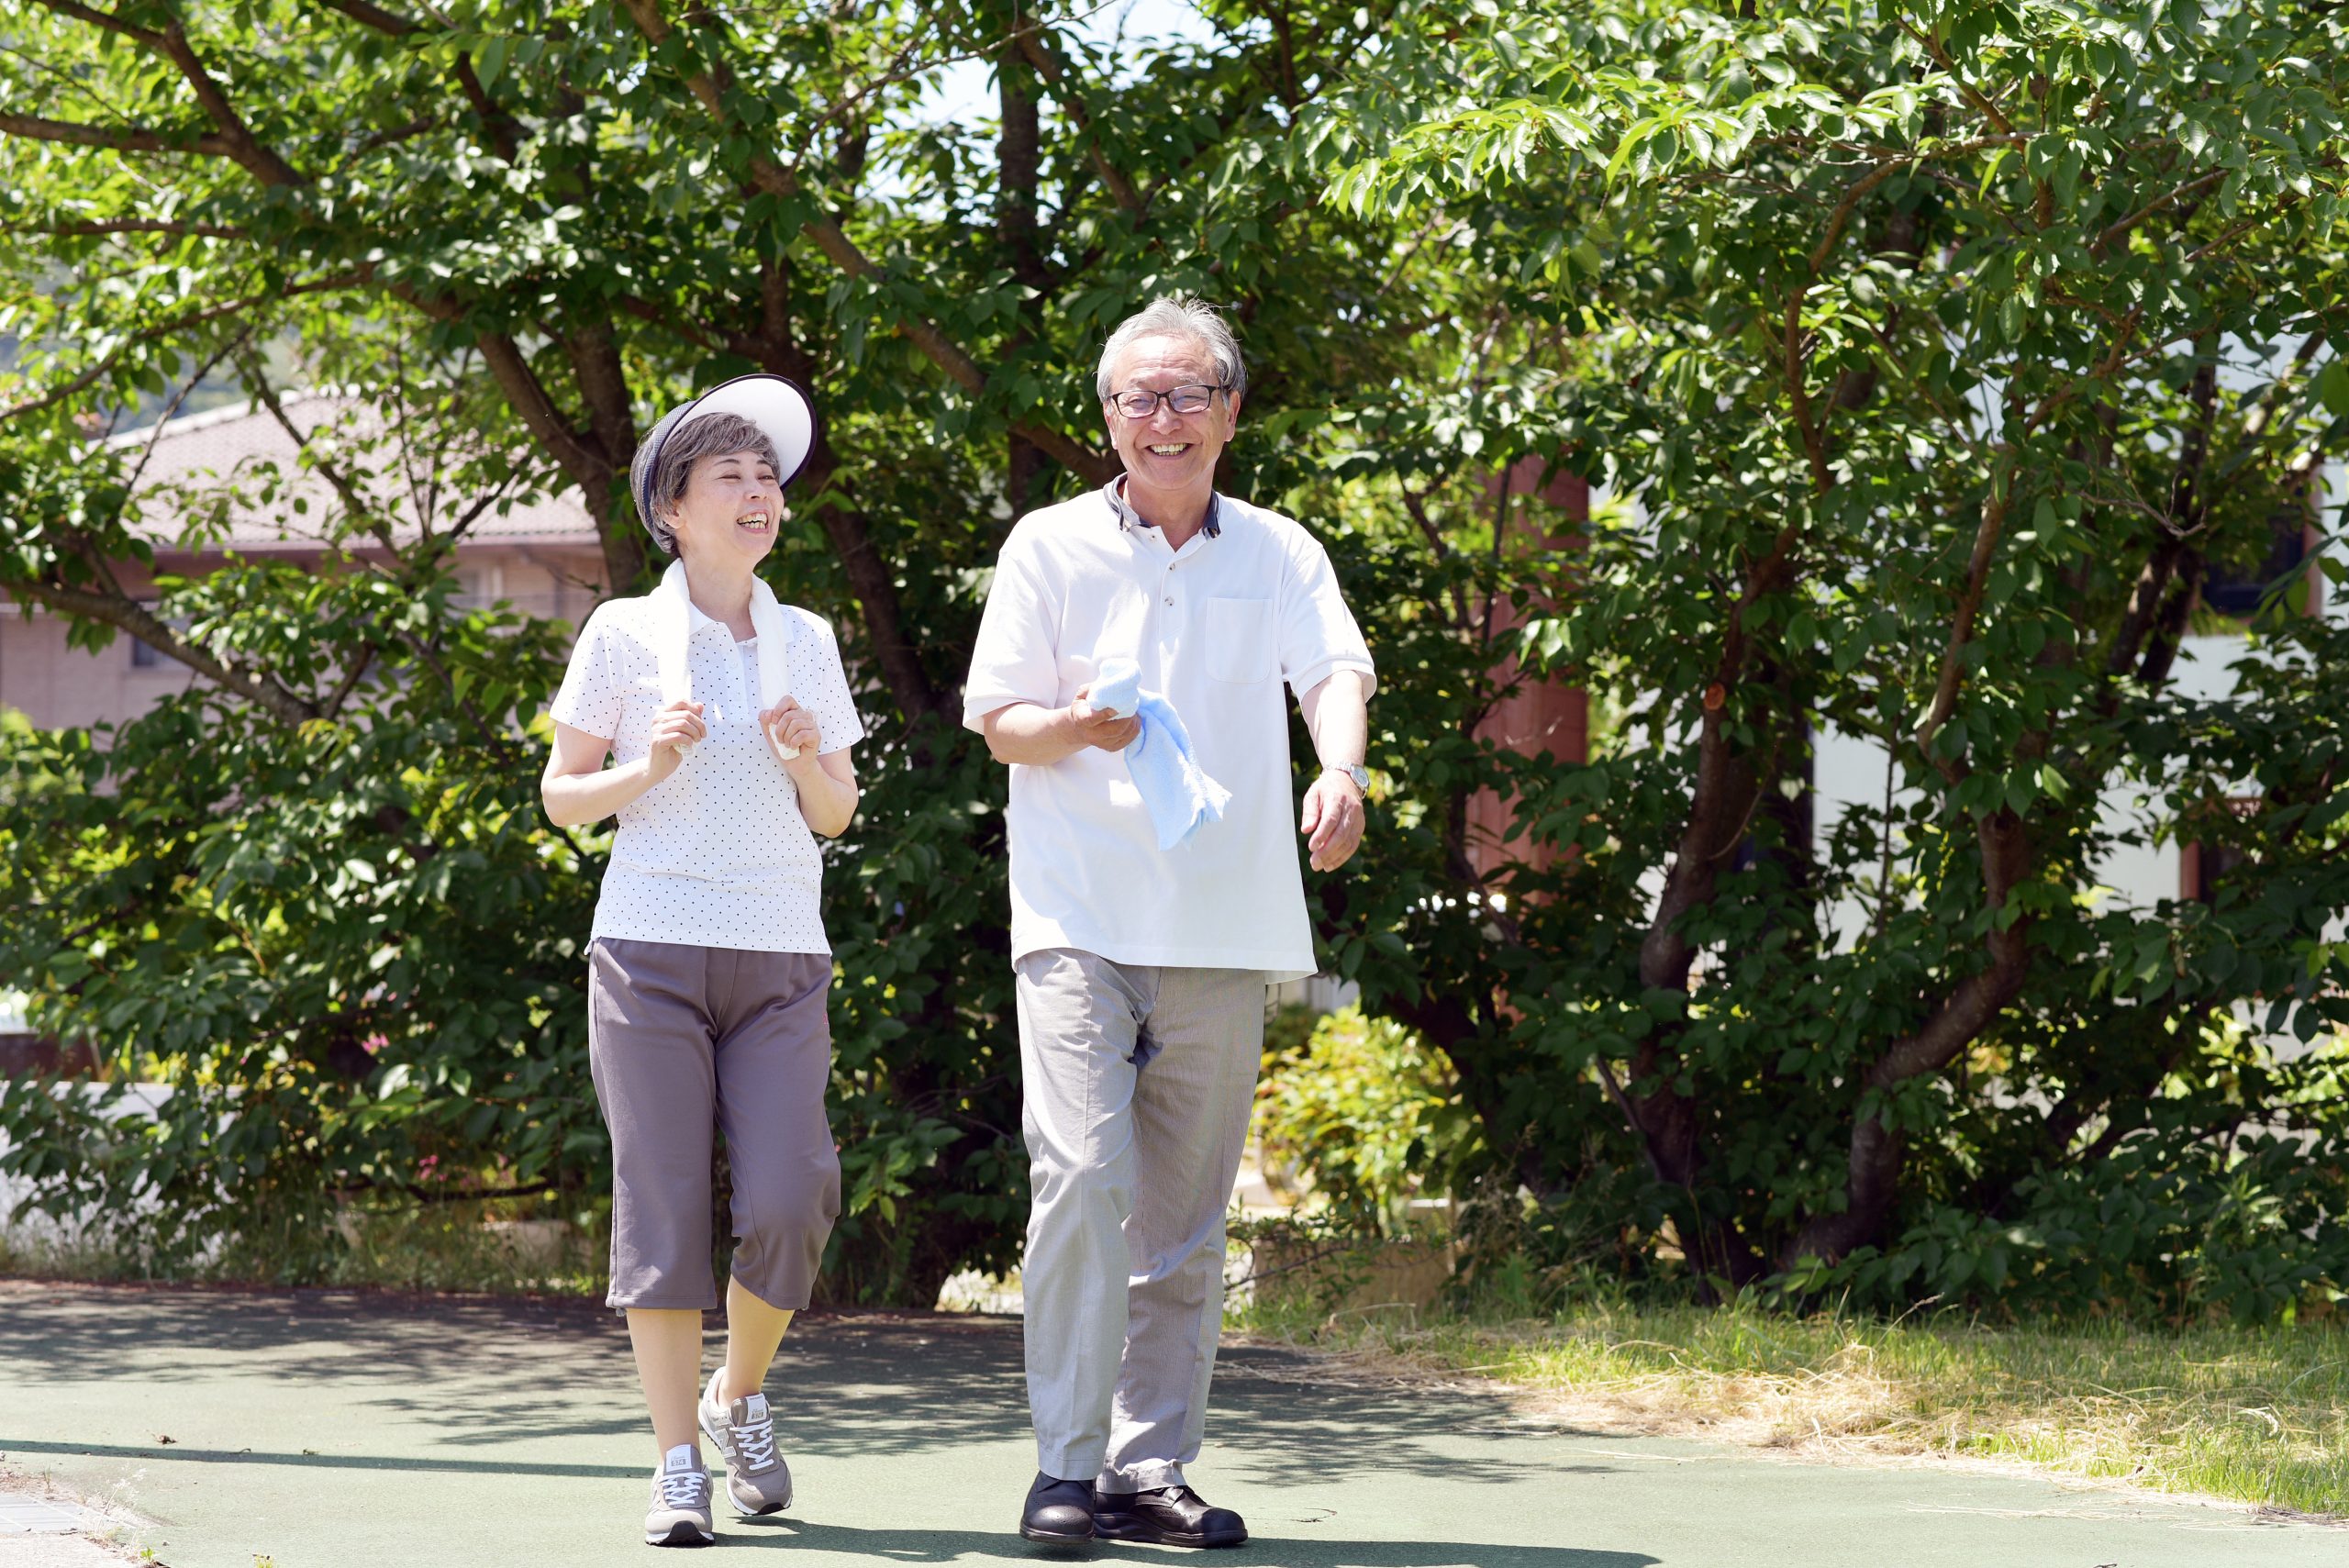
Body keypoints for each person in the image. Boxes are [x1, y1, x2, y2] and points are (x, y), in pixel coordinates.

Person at [964, 295, 1375, 1550]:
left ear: (1232, 411)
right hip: (1079, 912)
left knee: (1188, 1222)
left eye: (1190, 393)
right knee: (1082, 1180)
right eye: (1140, 396)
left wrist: (1342, 770)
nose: (1165, 417)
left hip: (1224, 918)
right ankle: (1065, 1465)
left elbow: (1333, 671)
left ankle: (1151, 1470)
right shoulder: (1048, 544)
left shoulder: (1280, 549)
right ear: (1108, 416)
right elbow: (998, 722)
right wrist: (1075, 728)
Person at [540, 375, 863, 1548]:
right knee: (664, 1209)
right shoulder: (623, 632)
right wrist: (647, 769)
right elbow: (564, 796)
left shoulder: (807, 639)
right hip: (649, 950)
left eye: (768, 477)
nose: (758, 493)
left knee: (792, 1195)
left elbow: (836, 813)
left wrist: (801, 757)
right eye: (730, 476)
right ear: (671, 509)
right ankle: (678, 1463)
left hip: (781, 954)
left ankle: (738, 1395)